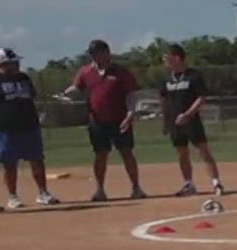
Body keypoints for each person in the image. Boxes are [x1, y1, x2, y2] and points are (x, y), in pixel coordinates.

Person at [60, 40, 144, 201]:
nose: (94, 56)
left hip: (120, 119)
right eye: (92, 54)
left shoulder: (120, 72)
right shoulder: (85, 71)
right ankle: (100, 190)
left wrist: (130, 114)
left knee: (126, 152)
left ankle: (136, 187)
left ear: (106, 52)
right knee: (100, 154)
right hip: (97, 120)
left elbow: (132, 95)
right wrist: (66, 93)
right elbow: (77, 87)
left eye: (97, 53)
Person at [0, 47, 57, 207]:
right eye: (12, 63)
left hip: (29, 126)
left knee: (37, 160)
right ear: (2, 64)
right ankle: (13, 196)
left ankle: (43, 192)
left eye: (16, 62)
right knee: (9, 164)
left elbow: (31, 96)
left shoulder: (23, 78)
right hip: (4, 129)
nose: (16, 65)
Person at [158, 45, 223, 196]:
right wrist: (165, 122)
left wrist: (188, 114)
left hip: (191, 121)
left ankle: (216, 182)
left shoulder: (193, 76)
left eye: (167, 58)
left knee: (203, 151)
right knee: (182, 153)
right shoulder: (166, 79)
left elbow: (201, 98)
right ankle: (189, 184)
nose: (165, 61)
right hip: (175, 123)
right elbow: (163, 101)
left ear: (177, 57)